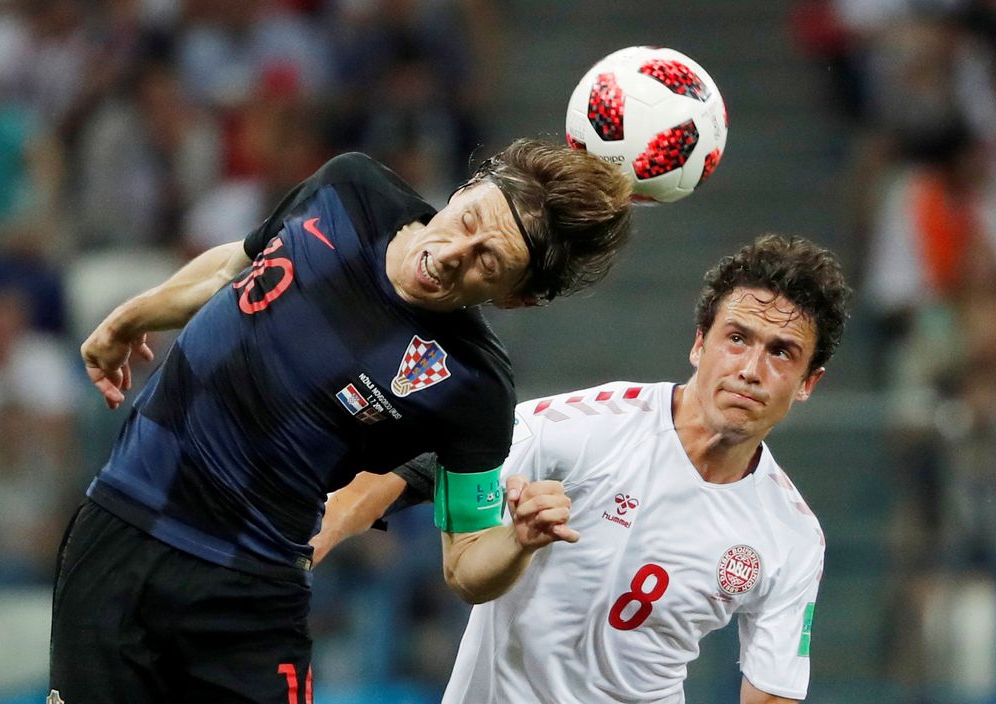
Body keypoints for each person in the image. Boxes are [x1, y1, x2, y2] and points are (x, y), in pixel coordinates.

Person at [49, 138, 633, 703]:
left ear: (517, 299)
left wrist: (520, 541)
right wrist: (132, 317)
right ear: (465, 188)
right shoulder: (350, 190)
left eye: (489, 260)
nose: (456, 251)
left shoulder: (474, 387)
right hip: (121, 530)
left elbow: (466, 564)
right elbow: (231, 268)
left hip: (249, 593)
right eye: (471, 219)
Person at [316, 234, 853, 704]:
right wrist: (308, 544)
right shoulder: (588, 427)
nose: (750, 370)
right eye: (737, 338)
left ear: (808, 383)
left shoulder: (792, 535)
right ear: (699, 343)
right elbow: (418, 464)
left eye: (782, 353)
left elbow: (772, 689)